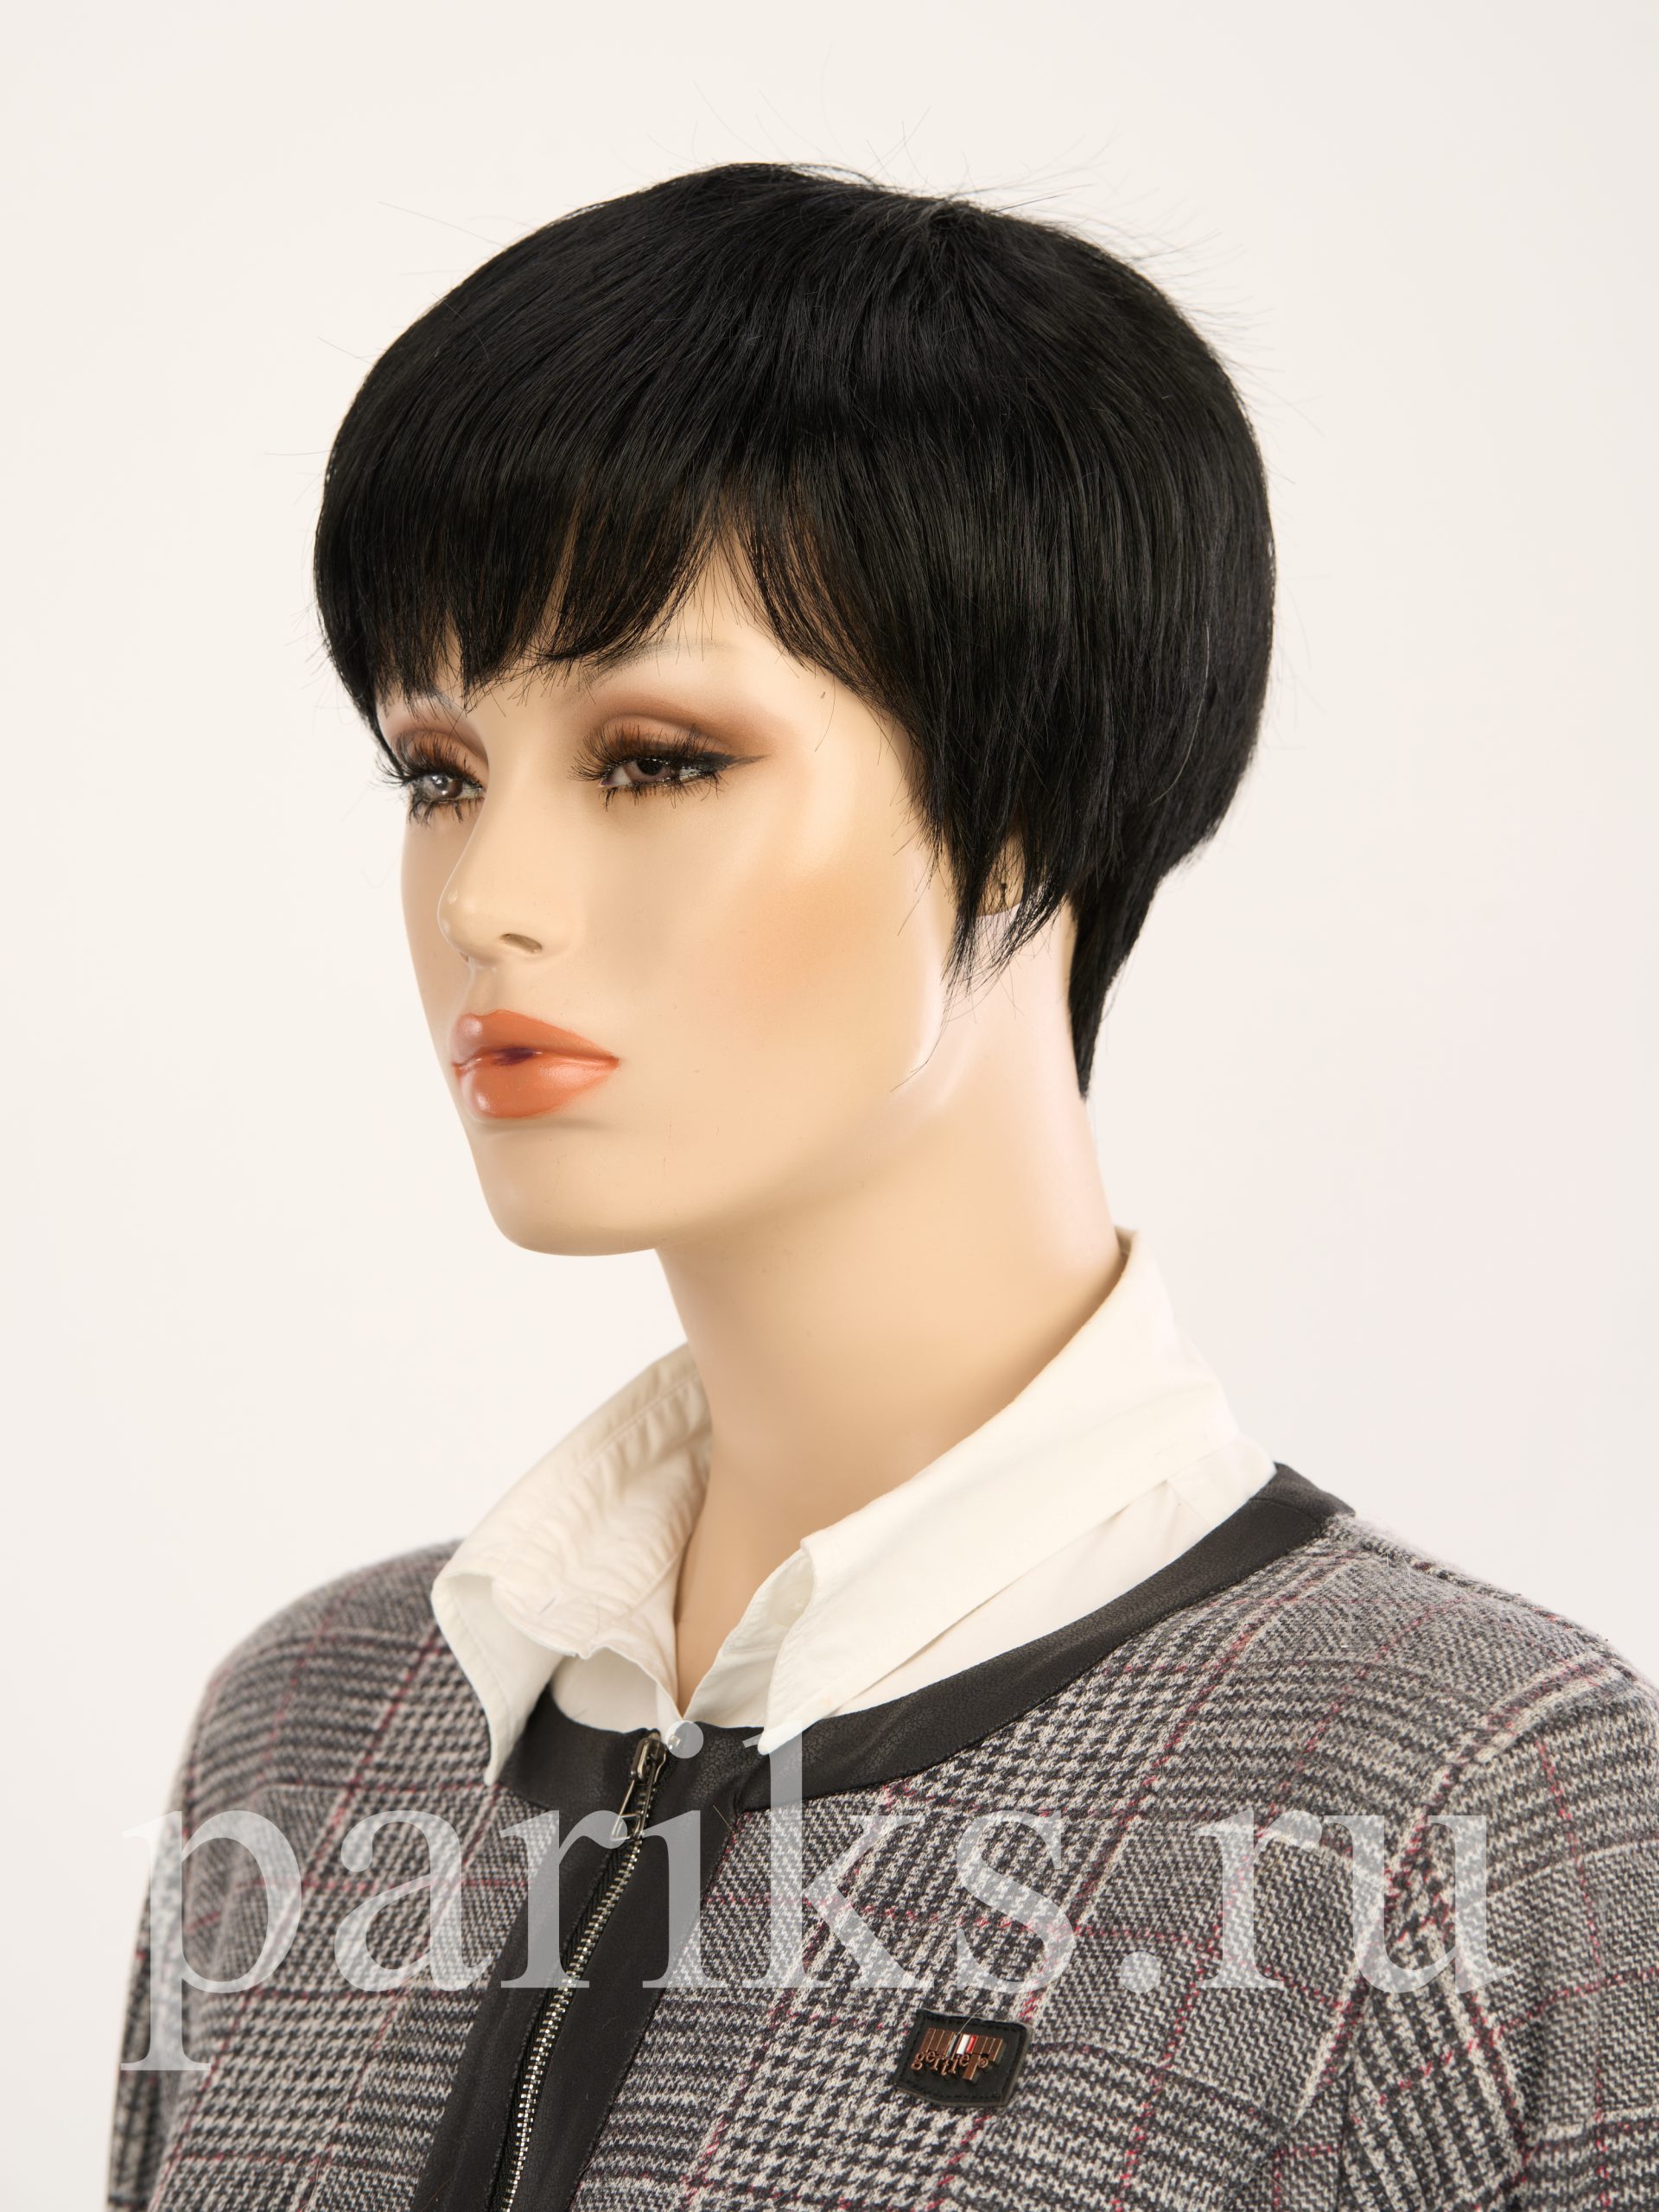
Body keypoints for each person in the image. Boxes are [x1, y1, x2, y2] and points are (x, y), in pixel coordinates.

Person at [109, 161, 1659, 2211]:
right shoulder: (314, 1730)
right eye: (440, 773)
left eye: (658, 758)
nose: (487, 896)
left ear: (1029, 812)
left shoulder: (1458, 1785)